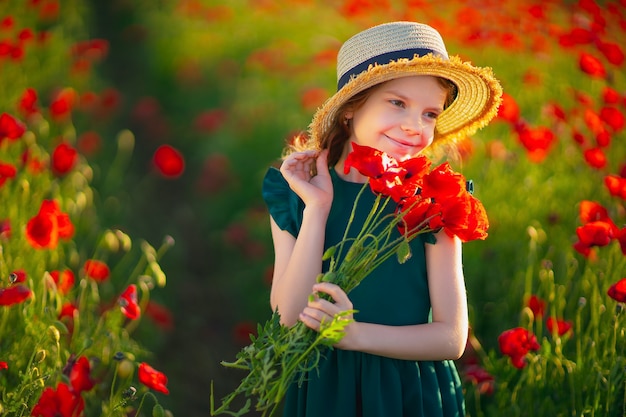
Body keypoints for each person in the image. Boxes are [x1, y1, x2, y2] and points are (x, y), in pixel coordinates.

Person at [262, 21, 502, 417]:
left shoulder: (435, 200)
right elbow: (288, 318)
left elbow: (451, 338)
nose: (415, 126)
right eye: (397, 103)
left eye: (430, 113)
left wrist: (353, 334)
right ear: (350, 108)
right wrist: (317, 210)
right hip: (327, 388)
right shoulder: (295, 193)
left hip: (410, 391)